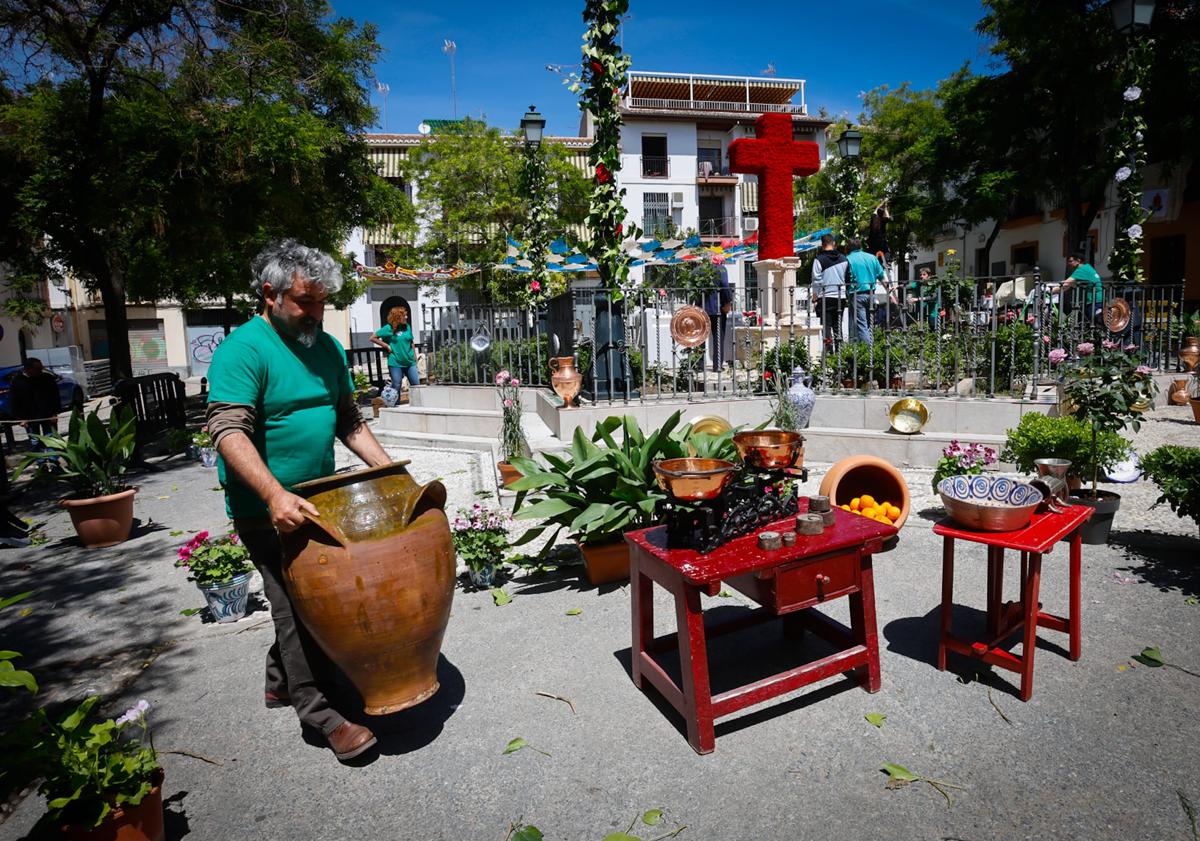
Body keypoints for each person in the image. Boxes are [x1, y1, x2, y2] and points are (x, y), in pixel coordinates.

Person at [206, 239, 393, 763]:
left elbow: (348, 420)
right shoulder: (243, 349)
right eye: (305, 303)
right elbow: (226, 429)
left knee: (318, 599)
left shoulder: (326, 348)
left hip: (320, 498)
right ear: (270, 294)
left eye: (321, 303)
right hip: (266, 508)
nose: (316, 313)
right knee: (294, 604)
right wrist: (272, 494)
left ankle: (279, 679)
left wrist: (391, 473)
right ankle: (322, 714)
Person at [10, 358, 61, 453]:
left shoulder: (47, 378)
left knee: (51, 440)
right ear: (28, 369)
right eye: (37, 368)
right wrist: (20, 418)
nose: (40, 370)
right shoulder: (18, 381)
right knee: (35, 441)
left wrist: (55, 413)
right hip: (30, 417)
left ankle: (53, 461)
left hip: (47, 415)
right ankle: (41, 463)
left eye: (41, 368)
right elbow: (15, 401)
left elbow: (55, 397)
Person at [811, 234, 848, 347]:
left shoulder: (819, 260)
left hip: (825, 297)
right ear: (834, 244)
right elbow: (848, 277)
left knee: (826, 326)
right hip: (840, 297)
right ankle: (839, 354)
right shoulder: (844, 259)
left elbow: (816, 280)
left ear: (822, 245)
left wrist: (815, 296)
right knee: (838, 326)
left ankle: (828, 354)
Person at [371, 305, 419, 393]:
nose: (406, 317)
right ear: (397, 317)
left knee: (416, 385)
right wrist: (386, 346)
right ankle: (394, 405)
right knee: (396, 385)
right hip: (395, 362)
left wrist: (415, 357)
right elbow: (373, 338)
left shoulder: (407, 327)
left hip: (409, 361)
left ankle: (418, 406)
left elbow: (411, 341)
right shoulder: (387, 328)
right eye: (404, 315)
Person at [845, 237, 884, 344]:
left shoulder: (848, 259)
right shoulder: (872, 258)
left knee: (861, 326)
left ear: (848, 247)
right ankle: (869, 349)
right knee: (869, 324)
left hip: (857, 295)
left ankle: (870, 352)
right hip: (872, 294)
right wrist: (889, 291)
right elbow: (881, 276)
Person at [703, 264, 733, 371]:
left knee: (700, 337)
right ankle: (717, 366)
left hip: (701, 309)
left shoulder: (697, 270)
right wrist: (727, 302)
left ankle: (699, 365)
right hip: (717, 308)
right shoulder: (721, 268)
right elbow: (725, 285)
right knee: (718, 337)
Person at [1062, 251, 1103, 324]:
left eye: (1070, 261)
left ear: (1078, 261)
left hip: (1094, 301)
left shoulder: (1081, 270)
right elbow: (1068, 285)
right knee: (1093, 323)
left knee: (1094, 323)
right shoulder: (1087, 267)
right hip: (1097, 299)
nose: (1068, 264)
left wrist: (1049, 290)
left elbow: (1065, 284)